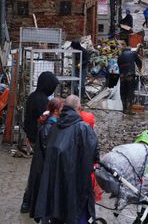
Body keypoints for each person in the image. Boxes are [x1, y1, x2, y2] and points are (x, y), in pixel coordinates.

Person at [34, 95, 99, 224]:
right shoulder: (83, 128)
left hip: (54, 182)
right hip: (75, 184)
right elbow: (94, 155)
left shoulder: (53, 126)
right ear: (79, 108)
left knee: (57, 213)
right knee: (76, 213)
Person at [25, 98, 64, 222]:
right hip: (43, 168)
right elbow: (48, 149)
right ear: (57, 110)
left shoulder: (50, 123)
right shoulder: (48, 127)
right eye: (62, 108)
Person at [117, 45, 143, 115]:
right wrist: (140, 70)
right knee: (130, 91)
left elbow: (119, 66)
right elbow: (139, 62)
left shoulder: (120, 56)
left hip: (122, 76)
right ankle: (129, 110)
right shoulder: (133, 53)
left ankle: (124, 108)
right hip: (130, 75)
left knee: (123, 91)